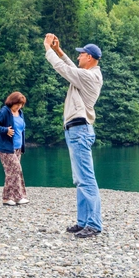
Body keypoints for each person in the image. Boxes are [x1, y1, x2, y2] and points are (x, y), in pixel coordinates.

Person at [44, 33, 104, 239]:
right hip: (76, 130)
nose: (78, 57)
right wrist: (60, 51)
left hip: (79, 130)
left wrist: (48, 50)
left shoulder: (89, 76)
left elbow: (64, 69)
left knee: (86, 179)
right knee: (80, 179)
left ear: (89, 57)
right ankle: (83, 221)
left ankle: (94, 224)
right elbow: (72, 67)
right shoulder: (88, 73)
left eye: (81, 54)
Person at [0, 92, 28, 206]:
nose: (19, 106)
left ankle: (14, 197)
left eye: (21, 104)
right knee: (15, 170)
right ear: (12, 102)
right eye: (17, 104)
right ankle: (10, 197)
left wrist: (22, 147)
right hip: (5, 147)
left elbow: (21, 130)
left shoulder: (20, 113)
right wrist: (5, 130)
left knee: (12, 172)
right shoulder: (4, 111)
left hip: (17, 148)